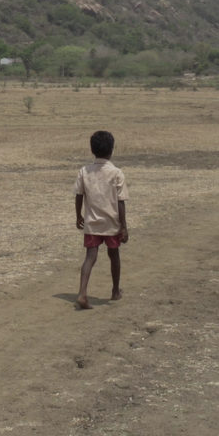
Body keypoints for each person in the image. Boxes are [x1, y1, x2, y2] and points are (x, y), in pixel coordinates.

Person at [74, 129, 128, 310]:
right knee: (114, 256)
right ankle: (115, 291)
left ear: (92, 150)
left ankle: (82, 293)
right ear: (112, 150)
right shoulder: (116, 173)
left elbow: (79, 195)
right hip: (111, 224)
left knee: (90, 257)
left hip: (92, 222)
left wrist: (78, 215)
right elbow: (121, 203)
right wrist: (124, 227)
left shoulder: (84, 171)